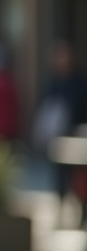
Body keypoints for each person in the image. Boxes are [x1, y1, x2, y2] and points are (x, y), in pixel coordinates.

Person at [35, 40, 87, 202]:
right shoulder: (54, 82)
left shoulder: (79, 82)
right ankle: (61, 199)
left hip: (76, 132)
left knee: (77, 172)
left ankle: (79, 204)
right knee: (59, 170)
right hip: (58, 134)